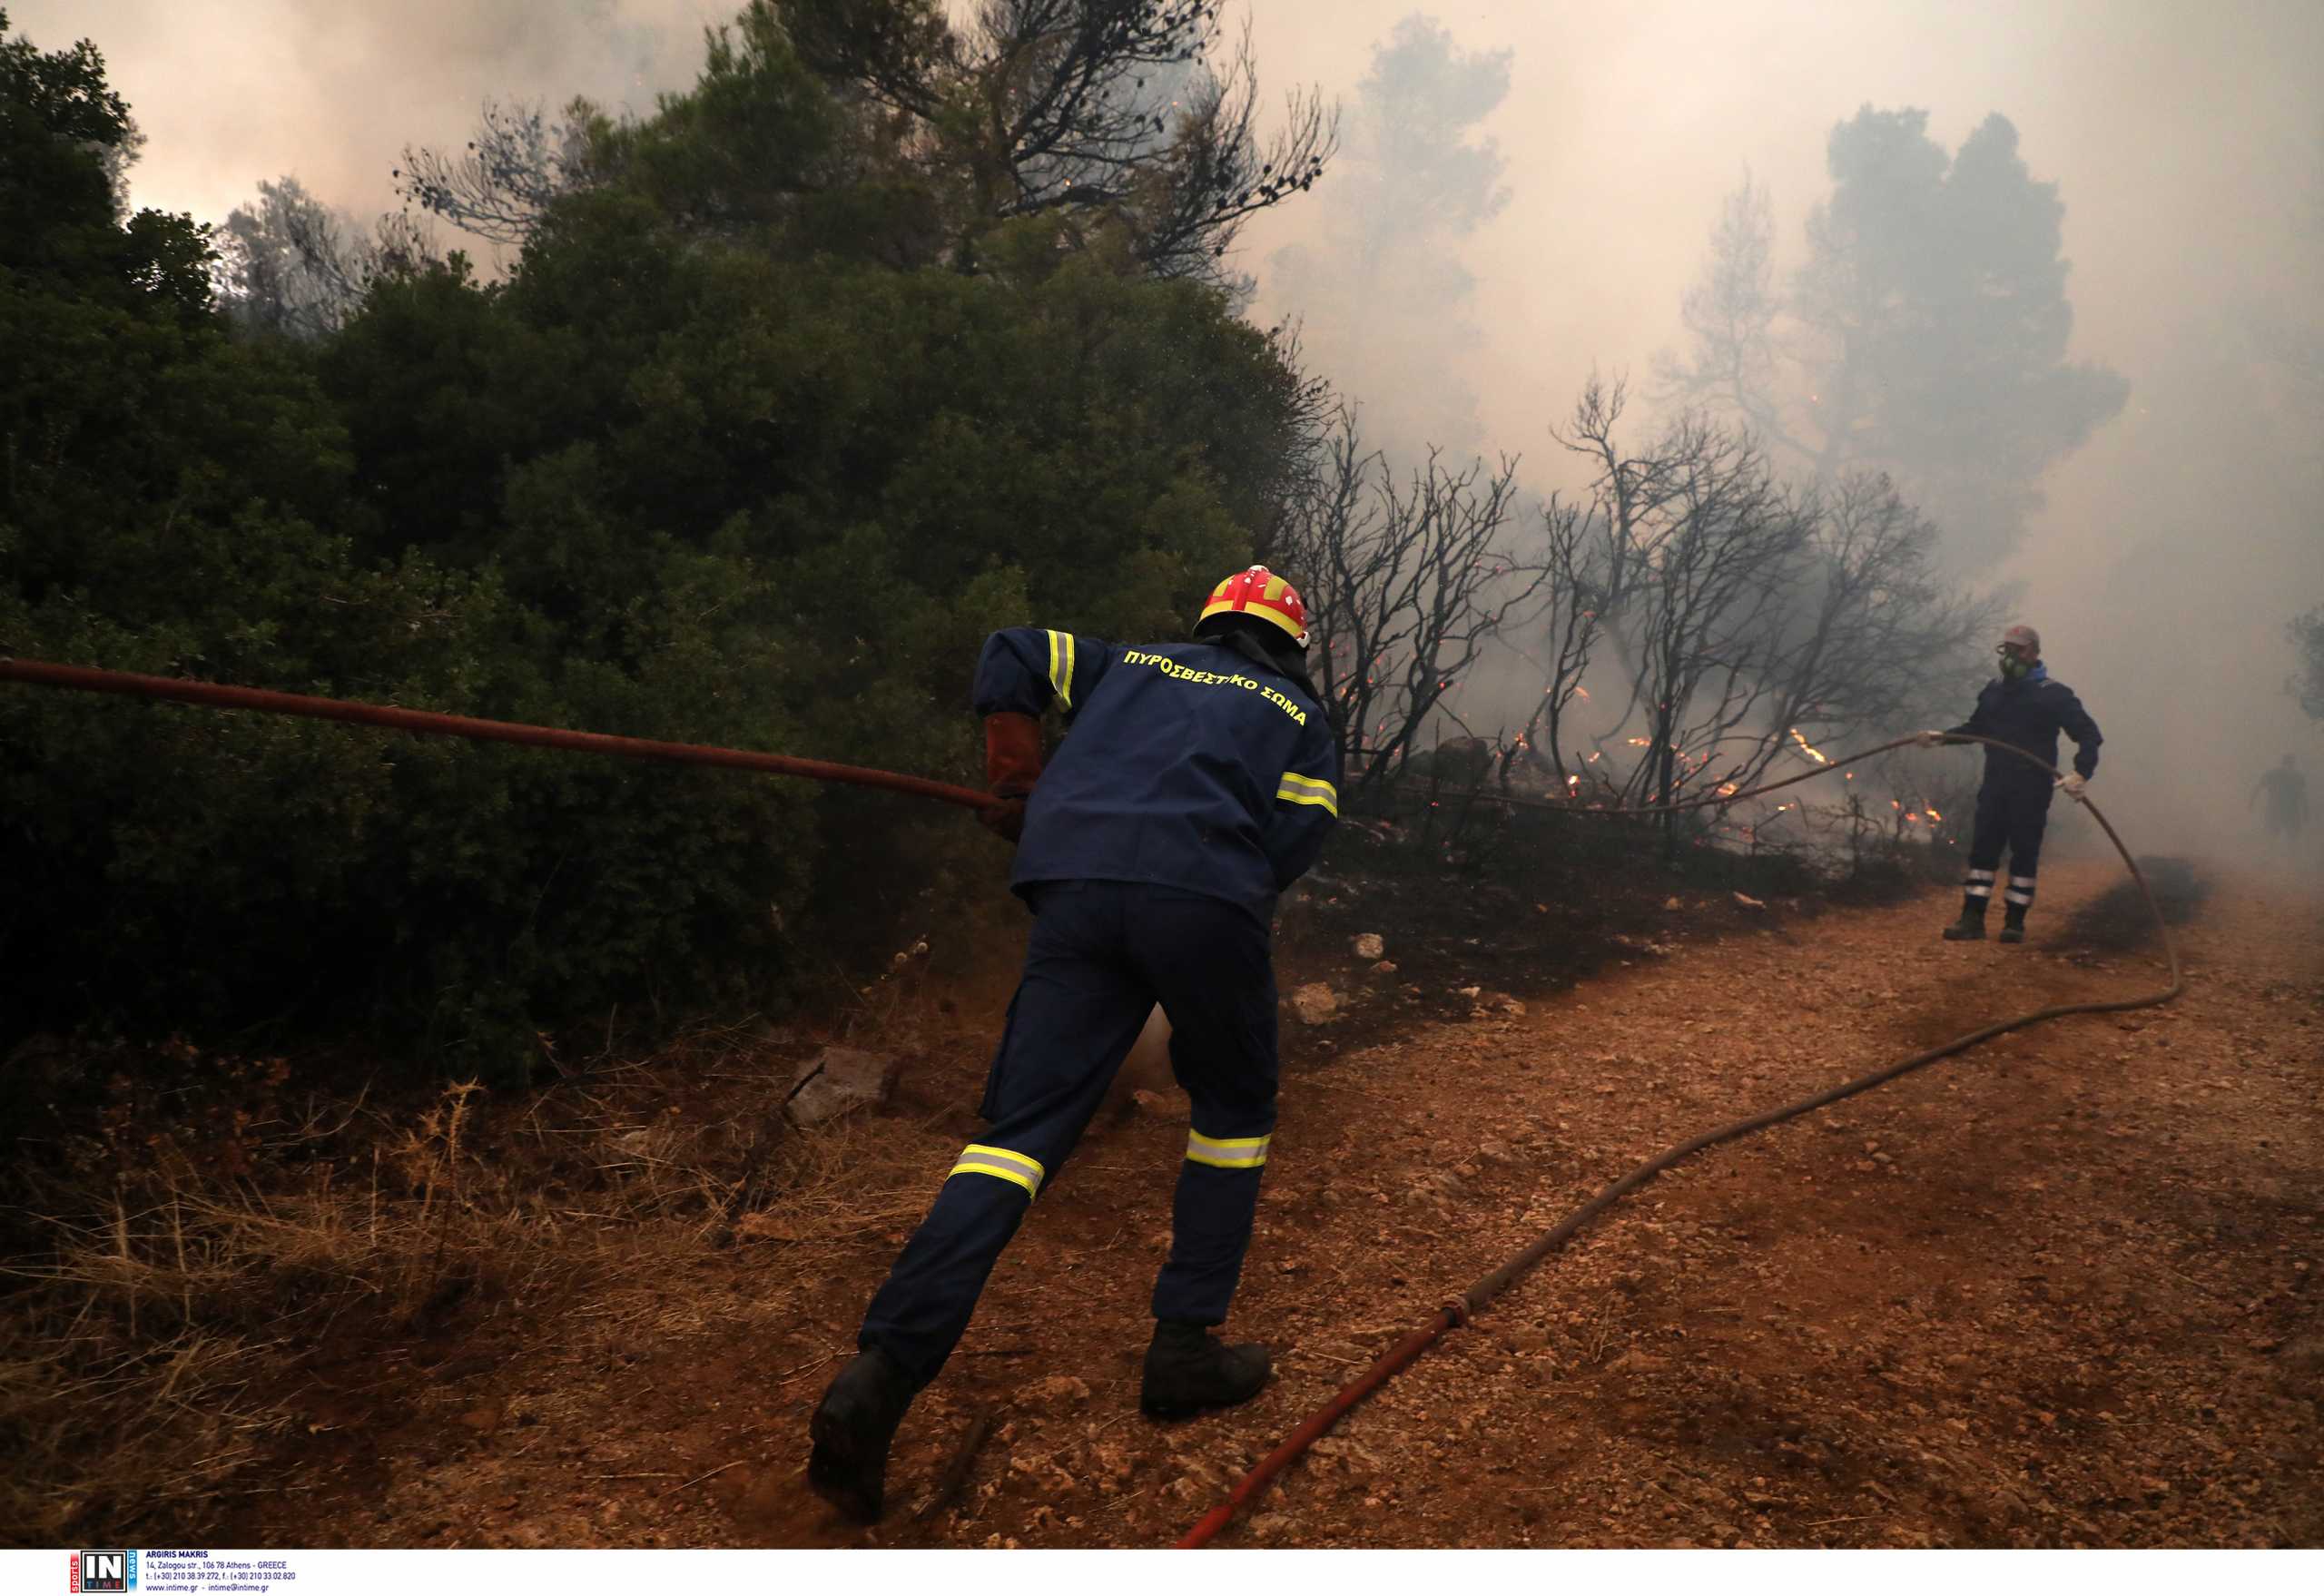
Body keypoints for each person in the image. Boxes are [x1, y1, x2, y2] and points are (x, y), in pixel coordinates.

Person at [806, 565, 1340, 1523]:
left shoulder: (1127, 664)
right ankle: (1181, 1349)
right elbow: (1295, 838)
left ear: (1210, 623)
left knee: (1018, 1135)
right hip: (1206, 899)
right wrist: (1210, 901)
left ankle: (882, 1374)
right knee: (1232, 1108)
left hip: (1074, 888)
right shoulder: (1296, 715)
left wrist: (1021, 784)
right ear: (1288, 646)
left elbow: (1009, 650)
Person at [1917, 624, 2102, 944]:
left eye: (2018, 649)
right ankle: (1971, 919)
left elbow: (2089, 735)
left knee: (2024, 853)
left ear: (2034, 653)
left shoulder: (2053, 694)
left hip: (2031, 787)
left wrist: (2080, 774)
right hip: (1996, 784)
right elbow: (1978, 728)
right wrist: (1942, 738)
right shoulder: (1994, 690)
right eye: (2006, 649)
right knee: (1983, 852)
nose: (2010, 655)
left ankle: (2014, 924)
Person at [2250, 754, 2307, 846]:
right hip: (2289, 810)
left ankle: (2271, 856)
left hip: (2276, 809)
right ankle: (2286, 856)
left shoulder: (2273, 774)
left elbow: (2258, 787)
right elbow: (2302, 795)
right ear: (2293, 763)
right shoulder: (2297, 776)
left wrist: (2252, 802)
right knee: (2290, 836)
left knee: (2273, 836)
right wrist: (2305, 809)